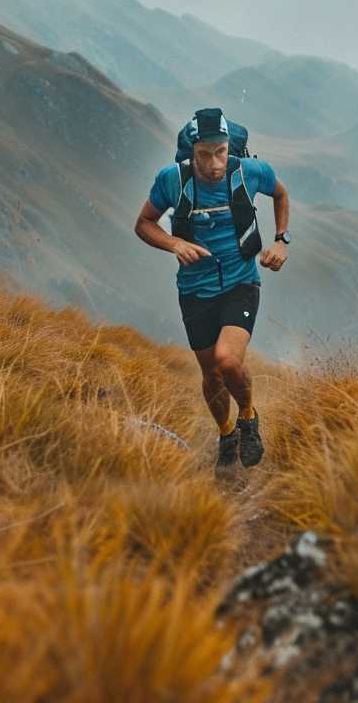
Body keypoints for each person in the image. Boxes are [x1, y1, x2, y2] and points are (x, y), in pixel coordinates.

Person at [134, 108, 291, 473]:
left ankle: (249, 420)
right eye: (204, 154)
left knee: (227, 359)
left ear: (228, 148)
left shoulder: (248, 171)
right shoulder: (172, 180)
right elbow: (143, 223)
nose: (214, 162)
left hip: (241, 282)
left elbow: (280, 194)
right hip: (195, 290)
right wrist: (173, 244)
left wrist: (281, 241)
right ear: (192, 151)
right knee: (211, 375)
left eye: (220, 152)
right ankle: (226, 434)